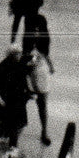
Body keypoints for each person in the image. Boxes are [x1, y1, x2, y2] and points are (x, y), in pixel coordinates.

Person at [0, 43, 32, 146]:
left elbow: (25, 79)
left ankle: (13, 143)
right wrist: (0, 100)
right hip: (5, 101)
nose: (20, 56)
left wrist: (28, 93)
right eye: (18, 54)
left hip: (17, 101)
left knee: (18, 125)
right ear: (11, 55)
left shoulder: (20, 65)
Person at [24, 14, 55, 145]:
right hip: (29, 70)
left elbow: (45, 54)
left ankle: (44, 131)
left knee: (42, 103)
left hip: (40, 71)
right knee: (22, 100)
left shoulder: (45, 39)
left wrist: (50, 65)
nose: (36, 30)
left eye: (38, 27)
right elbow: (25, 55)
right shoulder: (27, 38)